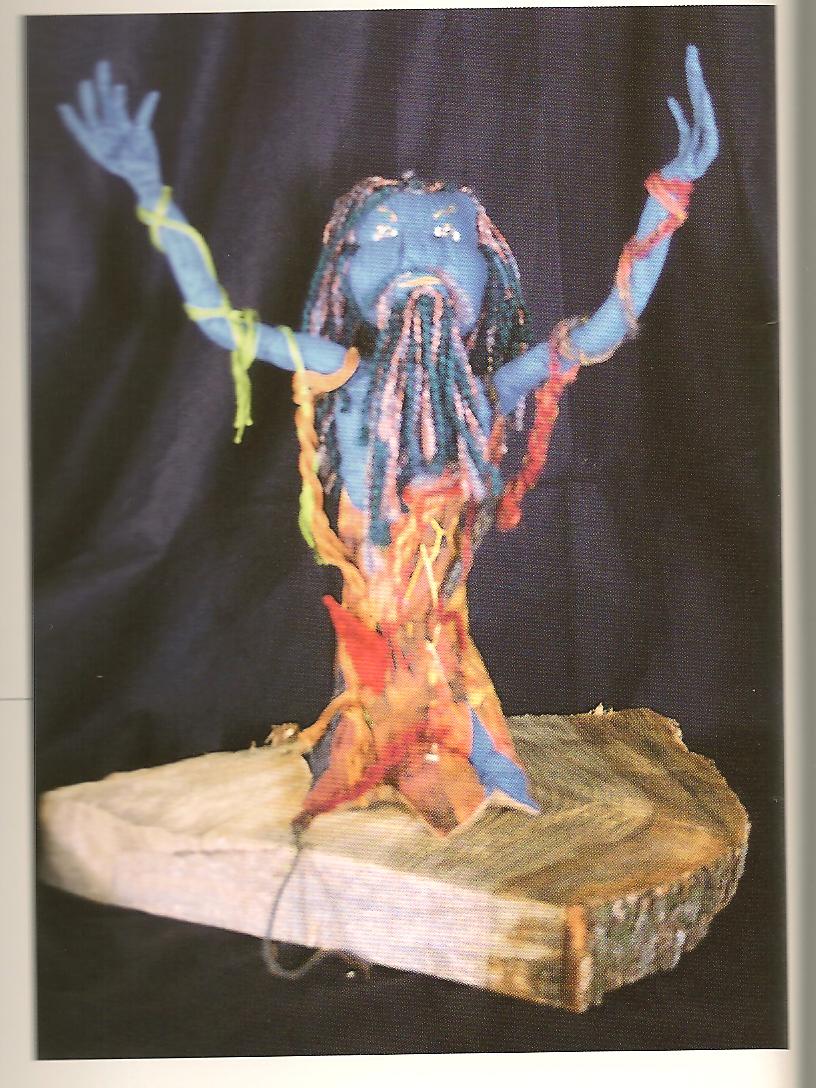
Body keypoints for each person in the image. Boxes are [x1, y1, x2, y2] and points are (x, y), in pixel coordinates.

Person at [58, 46, 719, 833]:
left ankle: (458, 762)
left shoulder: (489, 390)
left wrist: (670, 193)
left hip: (440, 594)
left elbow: (606, 329)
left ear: (489, 266)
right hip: (371, 581)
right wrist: (150, 191)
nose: (415, 254)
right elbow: (221, 323)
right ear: (343, 271)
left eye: (444, 234)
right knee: (375, 661)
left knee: (438, 654)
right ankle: (374, 761)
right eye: (383, 238)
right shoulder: (341, 368)